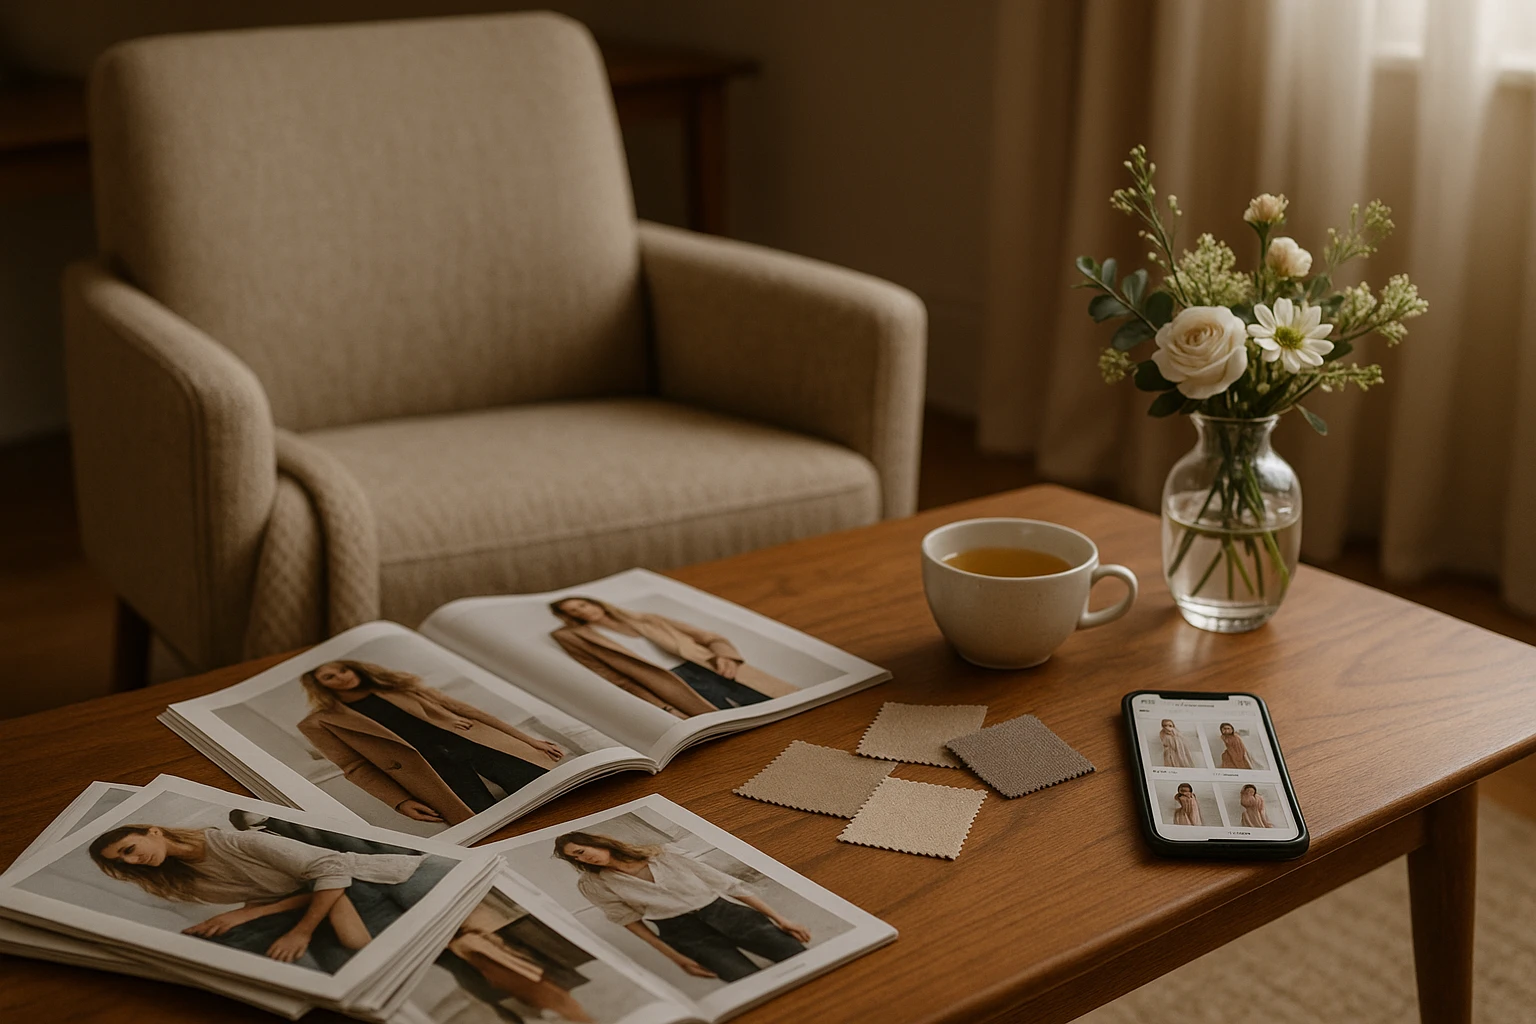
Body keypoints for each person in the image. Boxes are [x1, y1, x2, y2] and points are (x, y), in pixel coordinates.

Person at [89, 823, 450, 972]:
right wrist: (234, 916)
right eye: (122, 861)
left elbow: (331, 870)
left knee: (356, 944)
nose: (132, 861)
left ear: (153, 831)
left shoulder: (240, 841)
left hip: (375, 876)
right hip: (321, 892)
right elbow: (269, 892)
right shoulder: (185, 882)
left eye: (129, 849)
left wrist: (295, 930)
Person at [298, 660, 566, 826]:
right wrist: (400, 802)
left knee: (550, 793)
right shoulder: (319, 722)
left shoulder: (399, 687)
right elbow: (355, 767)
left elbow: (468, 711)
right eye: (329, 677)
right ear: (320, 686)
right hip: (432, 772)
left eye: (342, 670)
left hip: (477, 746)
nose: (342, 677)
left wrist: (530, 741)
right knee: (486, 822)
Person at [555, 831, 808, 983]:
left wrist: (780, 919)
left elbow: (727, 884)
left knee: (797, 957)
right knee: (746, 981)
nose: (583, 858)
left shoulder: (661, 854)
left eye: (581, 851)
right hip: (682, 933)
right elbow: (628, 921)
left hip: (726, 913)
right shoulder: (593, 884)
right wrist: (675, 957)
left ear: (597, 842)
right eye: (575, 858)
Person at [548, 597, 796, 718]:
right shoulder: (581, 639)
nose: (582, 611)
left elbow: (710, 637)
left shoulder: (648, 619)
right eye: (573, 611)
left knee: (779, 706)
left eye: (582, 605)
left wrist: (727, 657)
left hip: (710, 667)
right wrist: (663, 707)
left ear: (596, 603)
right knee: (731, 721)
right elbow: (619, 680)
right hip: (671, 685)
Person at [440, 903, 595, 1023]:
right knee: (549, 999)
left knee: (552, 999)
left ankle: (580, 1018)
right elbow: (497, 952)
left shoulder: (465, 940)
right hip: (509, 974)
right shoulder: (464, 941)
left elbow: (499, 950)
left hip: (513, 973)